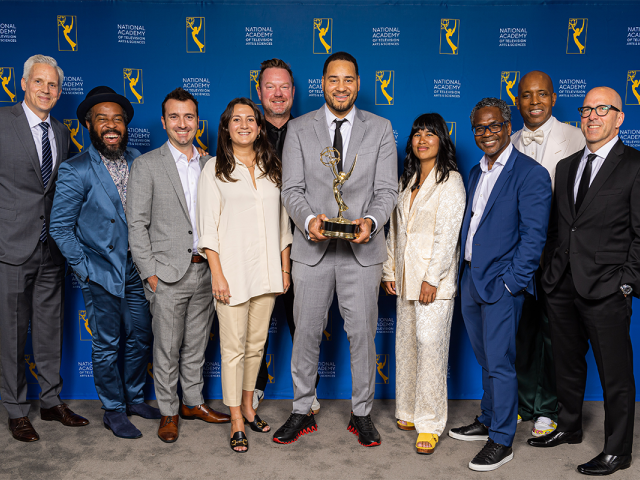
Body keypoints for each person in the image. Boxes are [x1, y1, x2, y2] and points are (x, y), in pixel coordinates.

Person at [275, 51, 397, 447]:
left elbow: (386, 191)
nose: (340, 87)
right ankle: (301, 410)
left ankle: (361, 413)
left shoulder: (380, 128)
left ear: (358, 84)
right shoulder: (298, 129)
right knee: (307, 333)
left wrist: (372, 222)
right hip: (312, 250)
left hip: (362, 254)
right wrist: (310, 221)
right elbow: (290, 189)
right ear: (322, 83)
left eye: (348, 80)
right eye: (333, 79)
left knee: (362, 335)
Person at [529, 87, 638, 476]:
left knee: (615, 374)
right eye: (587, 109)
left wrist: (627, 282)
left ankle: (618, 450)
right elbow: (561, 228)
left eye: (602, 109)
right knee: (567, 366)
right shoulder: (567, 166)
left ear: (619, 117)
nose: (592, 116)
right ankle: (570, 427)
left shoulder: (635, 165)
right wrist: (549, 276)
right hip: (561, 285)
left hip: (607, 288)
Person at [50, 86, 161, 440]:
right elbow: (60, 227)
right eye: (102, 119)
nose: (111, 125)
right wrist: (85, 270)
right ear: (88, 124)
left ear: (126, 125)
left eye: (117, 119)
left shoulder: (138, 159)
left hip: (136, 268)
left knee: (141, 336)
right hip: (100, 271)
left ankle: (132, 398)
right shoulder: (76, 169)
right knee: (107, 343)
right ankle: (112, 409)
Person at [449, 98, 551, 471]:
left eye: (493, 126)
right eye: (479, 128)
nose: (486, 134)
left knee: (501, 363)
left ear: (509, 128)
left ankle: (502, 439)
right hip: (472, 278)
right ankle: (489, 418)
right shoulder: (477, 172)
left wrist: (512, 283)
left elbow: (534, 238)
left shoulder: (531, 173)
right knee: (485, 359)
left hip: (502, 285)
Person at [127, 87, 230, 443]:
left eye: (188, 116)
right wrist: (150, 273)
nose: (182, 124)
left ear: (197, 121)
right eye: (174, 116)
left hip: (205, 270)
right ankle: (169, 411)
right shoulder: (146, 165)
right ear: (163, 121)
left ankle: (193, 402)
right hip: (167, 274)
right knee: (167, 348)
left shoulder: (211, 164)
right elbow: (136, 224)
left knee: (196, 344)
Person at [0, 54, 88, 442]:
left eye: (53, 85)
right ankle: (17, 409)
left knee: (51, 329)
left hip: (51, 247)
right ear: (23, 84)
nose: (46, 90)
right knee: (11, 333)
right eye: (39, 82)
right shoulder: (3, 123)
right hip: (11, 247)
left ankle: (51, 402)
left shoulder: (61, 131)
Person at [197, 97, 292, 453]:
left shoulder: (272, 166)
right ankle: (235, 416)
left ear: (259, 126)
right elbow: (207, 229)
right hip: (232, 274)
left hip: (267, 272)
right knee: (233, 349)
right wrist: (216, 275)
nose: (243, 125)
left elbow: (283, 224)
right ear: (226, 126)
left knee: (255, 346)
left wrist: (284, 268)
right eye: (236, 120)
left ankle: (250, 406)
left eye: (250, 119)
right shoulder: (214, 169)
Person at [382, 113, 465, 455]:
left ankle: (429, 423)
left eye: (430, 133)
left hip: (435, 283)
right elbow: (394, 231)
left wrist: (432, 278)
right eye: (417, 133)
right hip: (404, 278)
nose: (422, 139)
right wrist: (389, 270)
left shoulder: (452, 181)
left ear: (442, 140)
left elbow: (449, 236)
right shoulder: (407, 181)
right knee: (406, 345)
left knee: (430, 348)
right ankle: (407, 411)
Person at [512, 71, 586, 438]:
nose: (535, 101)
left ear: (554, 98)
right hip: (518, 257)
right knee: (522, 332)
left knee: (556, 334)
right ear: (518, 101)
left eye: (542, 94)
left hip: (561, 256)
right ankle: (524, 404)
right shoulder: (508, 141)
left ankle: (548, 407)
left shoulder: (577, 138)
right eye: (527, 95)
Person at [252, 58, 320, 414]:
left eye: (283, 87)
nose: (277, 94)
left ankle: (307, 393)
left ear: (293, 93)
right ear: (259, 91)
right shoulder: (244, 130)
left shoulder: (310, 132)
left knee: (304, 322)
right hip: (257, 244)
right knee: (256, 323)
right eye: (270, 87)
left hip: (304, 243)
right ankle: (255, 386)